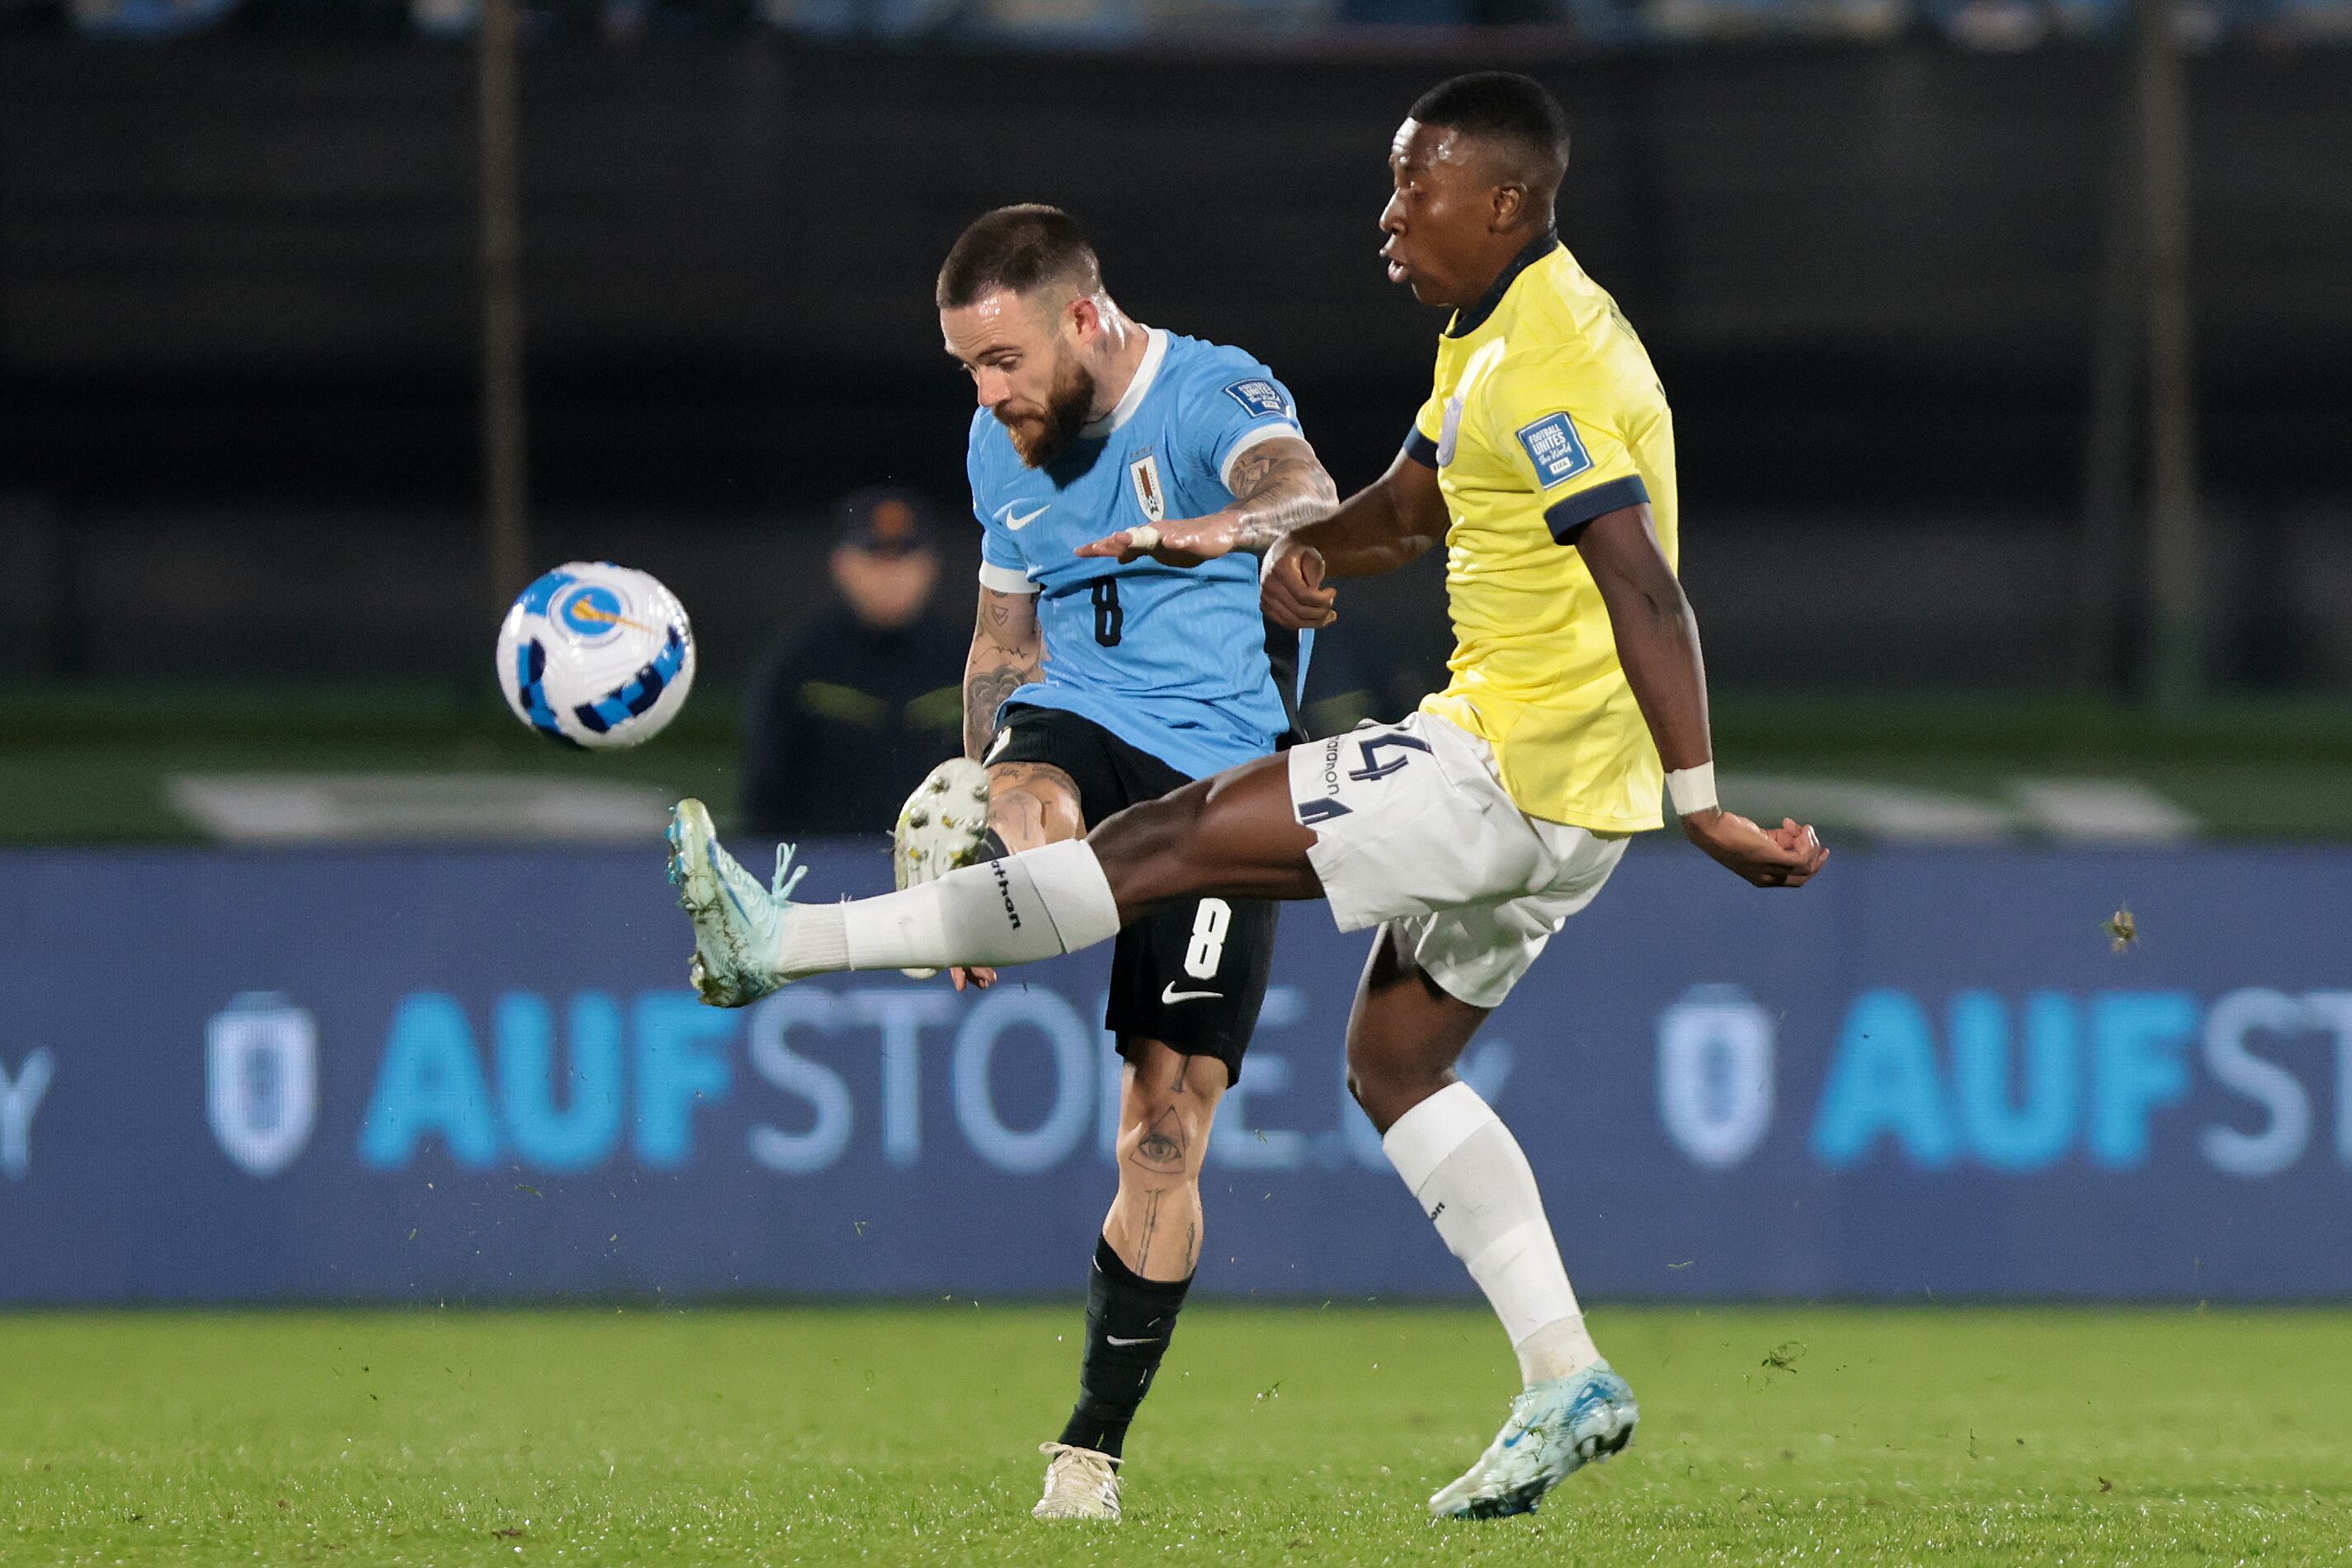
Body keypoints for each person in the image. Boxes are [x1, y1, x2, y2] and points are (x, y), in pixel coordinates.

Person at [664, 75, 1827, 1521]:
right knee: (1394, 1067)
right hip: (1567, 801)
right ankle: (1564, 1374)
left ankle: (776, 945)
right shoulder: (1492, 336)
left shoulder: (1548, 365)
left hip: (1511, 766)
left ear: (1502, 203)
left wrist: (1700, 803)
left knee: (1165, 843)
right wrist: (1313, 553)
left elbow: (1642, 584)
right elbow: (1409, 507)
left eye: (1413, 188)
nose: (1386, 216)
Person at [822, 204, 1341, 1523]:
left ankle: (1088, 1453)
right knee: (1028, 790)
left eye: (1002, 360)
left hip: (1222, 775)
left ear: (1085, 319)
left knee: (1162, 1134)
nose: (986, 393)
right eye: (967, 368)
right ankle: (982, 886)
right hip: (1079, 716)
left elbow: (1306, 494)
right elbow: (1002, 651)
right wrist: (972, 850)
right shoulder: (999, 445)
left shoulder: (1210, 392)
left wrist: (1207, 532)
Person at [738, 487, 966, 836]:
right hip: (824, 862)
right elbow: (764, 793)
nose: (891, 575)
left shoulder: (965, 663)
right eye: (875, 557)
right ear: (842, 565)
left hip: (944, 864)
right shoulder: (801, 663)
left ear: (929, 566)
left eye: (904, 558)